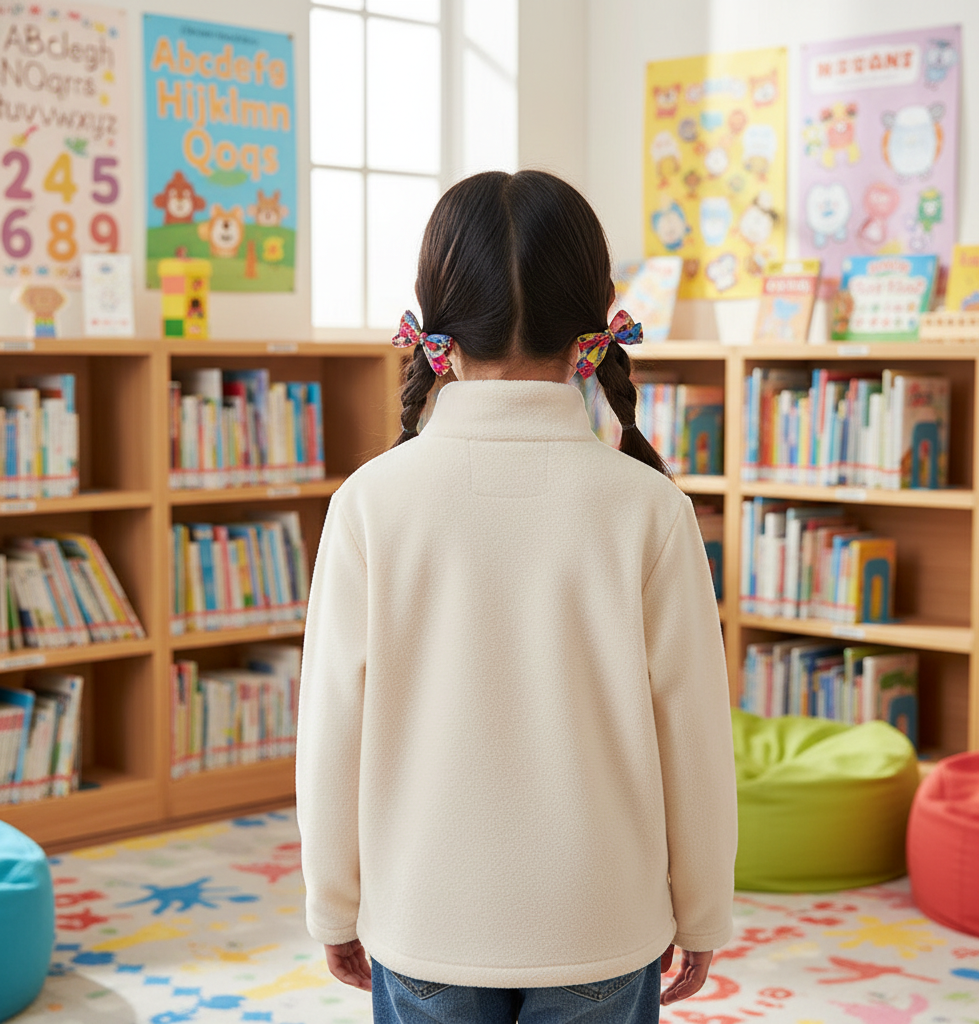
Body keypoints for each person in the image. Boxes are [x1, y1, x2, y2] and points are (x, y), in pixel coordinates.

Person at [295, 169, 738, 1024]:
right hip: (603, 921)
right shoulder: (650, 506)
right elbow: (695, 735)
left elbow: (330, 730)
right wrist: (704, 909)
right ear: (598, 319)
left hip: (423, 915)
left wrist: (333, 902)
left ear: (432, 326)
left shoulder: (369, 504)